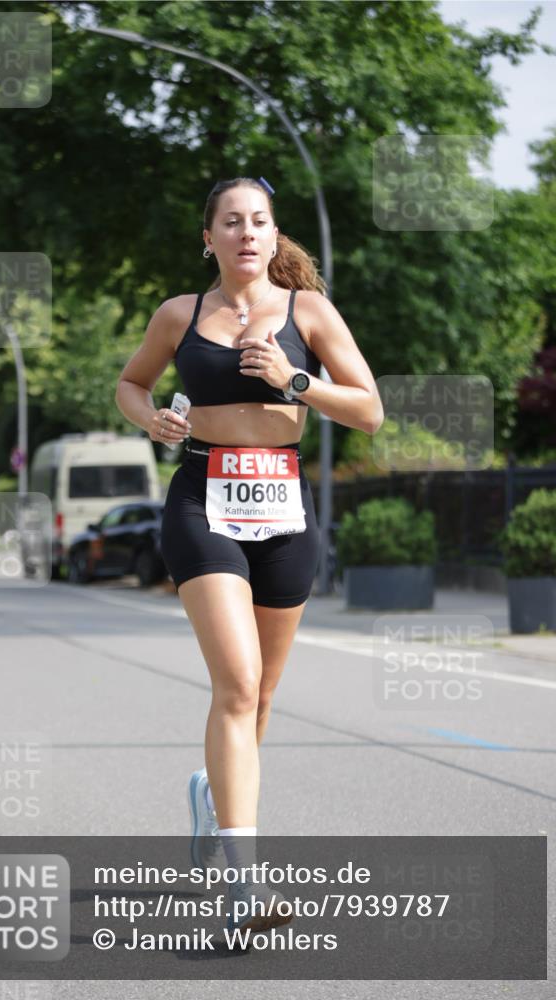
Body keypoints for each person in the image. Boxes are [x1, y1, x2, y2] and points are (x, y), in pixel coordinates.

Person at [115, 176, 383, 934]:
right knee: (235, 683)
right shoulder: (179, 314)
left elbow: (368, 410)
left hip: (283, 506)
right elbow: (131, 384)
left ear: (273, 235)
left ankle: (211, 795)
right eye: (230, 222)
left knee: (261, 695)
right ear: (209, 238)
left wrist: (295, 380)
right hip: (203, 501)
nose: (245, 233)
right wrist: (150, 420)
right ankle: (244, 886)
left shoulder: (309, 312)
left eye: (258, 221)